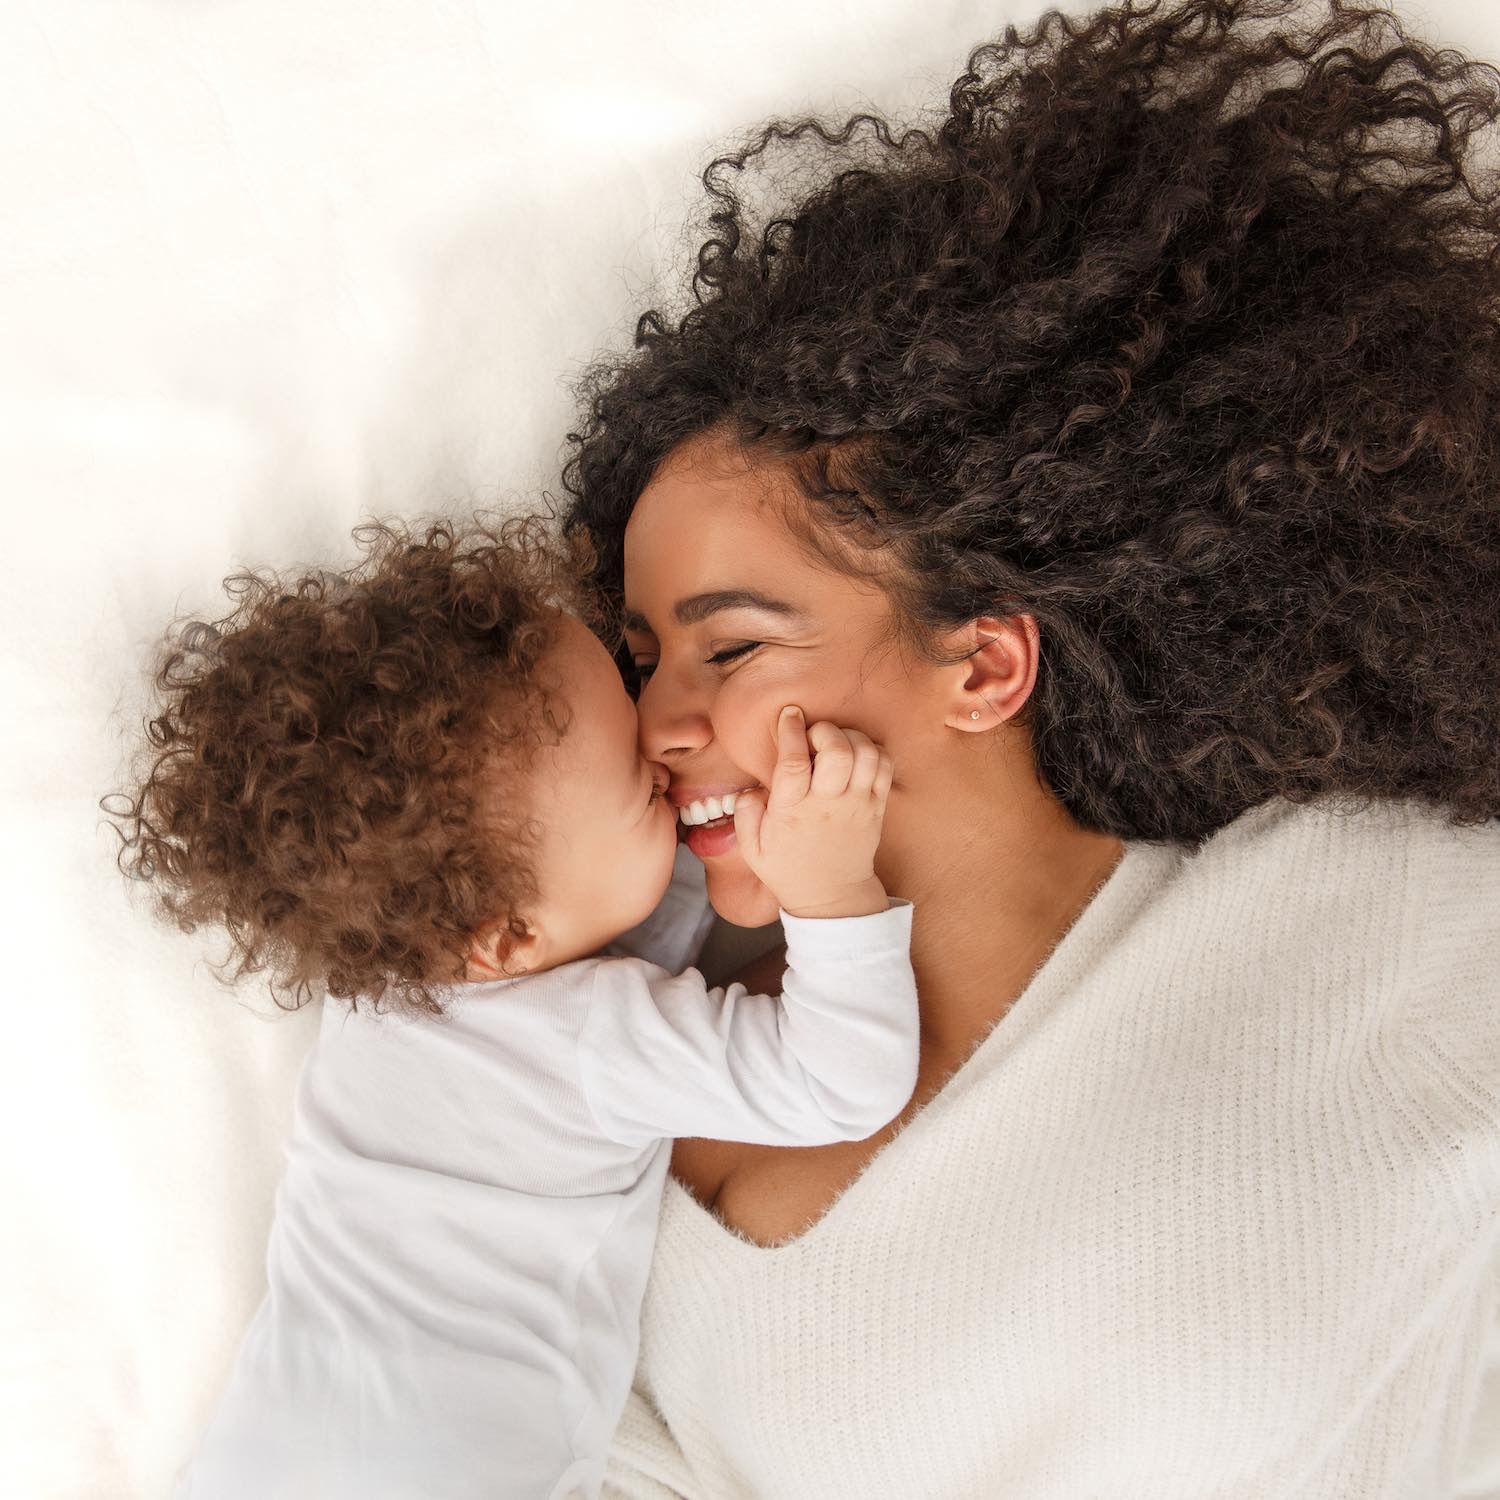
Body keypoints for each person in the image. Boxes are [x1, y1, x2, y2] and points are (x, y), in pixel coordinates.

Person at [558, 0, 1500, 1493]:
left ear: (984, 662)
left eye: (732, 647)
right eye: (644, 660)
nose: (662, 727)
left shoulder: (1354, 915)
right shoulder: (636, 1146)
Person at [107, 518, 919, 1500]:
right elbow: (840, 1084)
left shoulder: (389, 967)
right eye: (652, 790)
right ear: (504, 940)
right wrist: (831, 887)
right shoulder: (591, 1038)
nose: (669, 752)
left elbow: (603, 882)